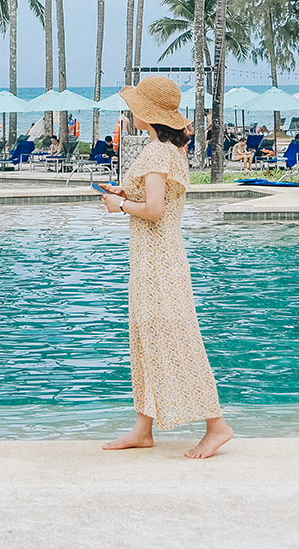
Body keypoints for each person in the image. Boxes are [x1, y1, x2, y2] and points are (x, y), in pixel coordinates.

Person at [97, 74, 232, 459]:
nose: (130, 111)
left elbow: (154, 211)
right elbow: (155, 199)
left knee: (177, 341)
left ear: (148, 114)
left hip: (158, 262)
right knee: (145, 340)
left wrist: (119, 205)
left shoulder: (158, 153)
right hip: (155, 259)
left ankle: (216, 424)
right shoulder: (166, 151)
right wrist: (127, 193)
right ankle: (143, 427)